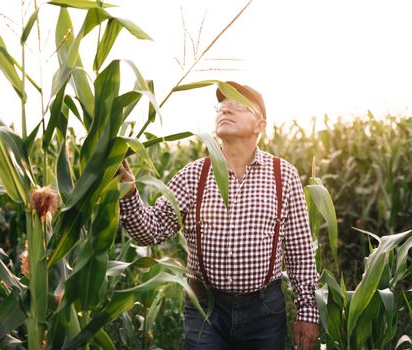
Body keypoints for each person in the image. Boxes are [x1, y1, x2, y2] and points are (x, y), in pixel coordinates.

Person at [118, 81, 319, 349]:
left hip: (264, 312)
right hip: (205, 310)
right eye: (222, 106)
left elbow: (300, 250)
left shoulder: (283, 175)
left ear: (260, 125)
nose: (226, 110)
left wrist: (307, 312)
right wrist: (127, 191)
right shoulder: (193, 175)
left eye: (237, 105)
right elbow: (151, 230)